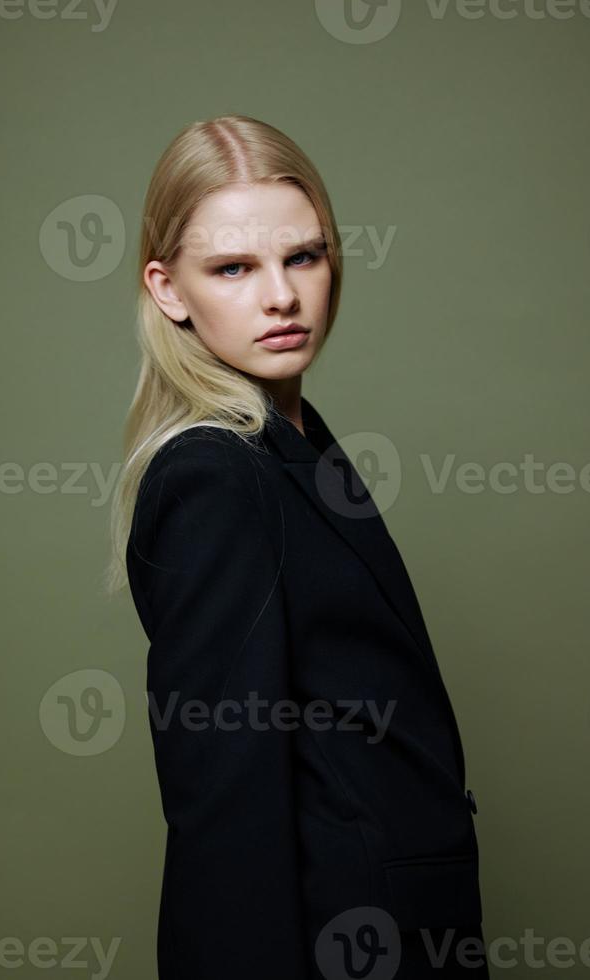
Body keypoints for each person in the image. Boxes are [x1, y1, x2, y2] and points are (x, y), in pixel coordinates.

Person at [107, 114, 490, 980]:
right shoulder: (214, 477)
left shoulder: (299, 445)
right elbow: (223, 804)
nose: (280, 296)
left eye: (303, 257)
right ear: (169, 289)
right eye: (234, 268)